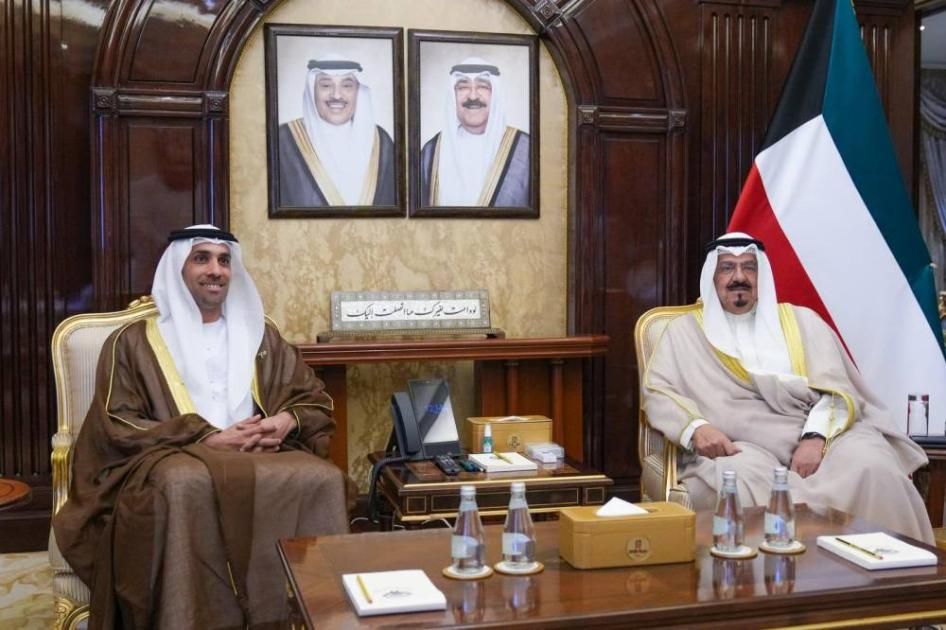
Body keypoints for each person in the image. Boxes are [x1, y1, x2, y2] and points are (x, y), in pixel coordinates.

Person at [53, 225, 351, 629]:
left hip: (263, 451)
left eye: (224, 260)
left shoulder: (261, 335)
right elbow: (118, 419)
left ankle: (316, 617)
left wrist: (284, 421)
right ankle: (186, 617)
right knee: (182, 483)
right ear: (178, 268)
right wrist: (206, 436)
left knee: (323, 480)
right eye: (201, 259)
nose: (215, 270)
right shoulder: (134, 341)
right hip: (175, 455)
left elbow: (310, 397)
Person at [642, 232, 934, 543]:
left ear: (762, 276)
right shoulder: (683, 332)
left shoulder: (803, 322)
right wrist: (696, 428)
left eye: (749, 267)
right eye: (727, 267)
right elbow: (658, 392)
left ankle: (894, 567)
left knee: (873, 466)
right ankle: (778, 570)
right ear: (712, 276)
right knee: (735, 478)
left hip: (824, 434)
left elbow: (837, 390)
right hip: (744, 446)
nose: (739, 277)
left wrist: (814, 439)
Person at [278, 56, 396, 207]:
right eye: (326, 85)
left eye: (346, 86)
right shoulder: (284, 141)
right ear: (313, 90)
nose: (336, 95)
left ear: (358, 91)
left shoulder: (381, 142)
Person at [420, 57, 530, 207]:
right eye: (463, 87)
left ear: (496, 94)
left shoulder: (526, 150)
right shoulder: (431, 152)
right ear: (453, 95)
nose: (472, 96)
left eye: (483, 86)